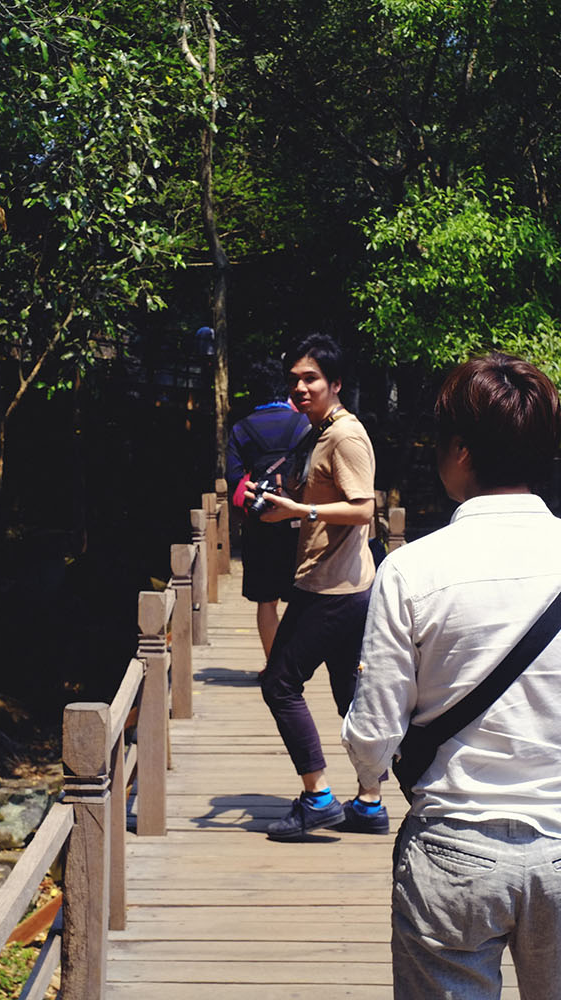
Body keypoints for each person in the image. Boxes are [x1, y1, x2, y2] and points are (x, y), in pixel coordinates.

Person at [341, 352, 561, 1000]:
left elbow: (373, 736)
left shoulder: (411, 571)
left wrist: (369, 776)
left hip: (454, 848)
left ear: (462, 450)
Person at [245, 333, 387, 841]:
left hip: (331, 588)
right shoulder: (319, 431)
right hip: (342, 585)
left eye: (312, 379)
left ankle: (318, 797)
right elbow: (323, 493)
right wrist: (279, 501)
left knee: (279, 683)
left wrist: (301, 510)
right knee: (350, 694)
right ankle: (369, 802)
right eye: (295, 380)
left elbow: (363, 508)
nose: (301, 388)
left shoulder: (344, 436)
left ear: (336, 383)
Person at [225, 360, 313, 660]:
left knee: (266, 599)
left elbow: (233, 478)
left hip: (260, 520)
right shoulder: (305, 423)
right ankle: (295, 664)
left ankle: (273, 665)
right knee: (302, 596)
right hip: (299, 517)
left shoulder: (241, 429)